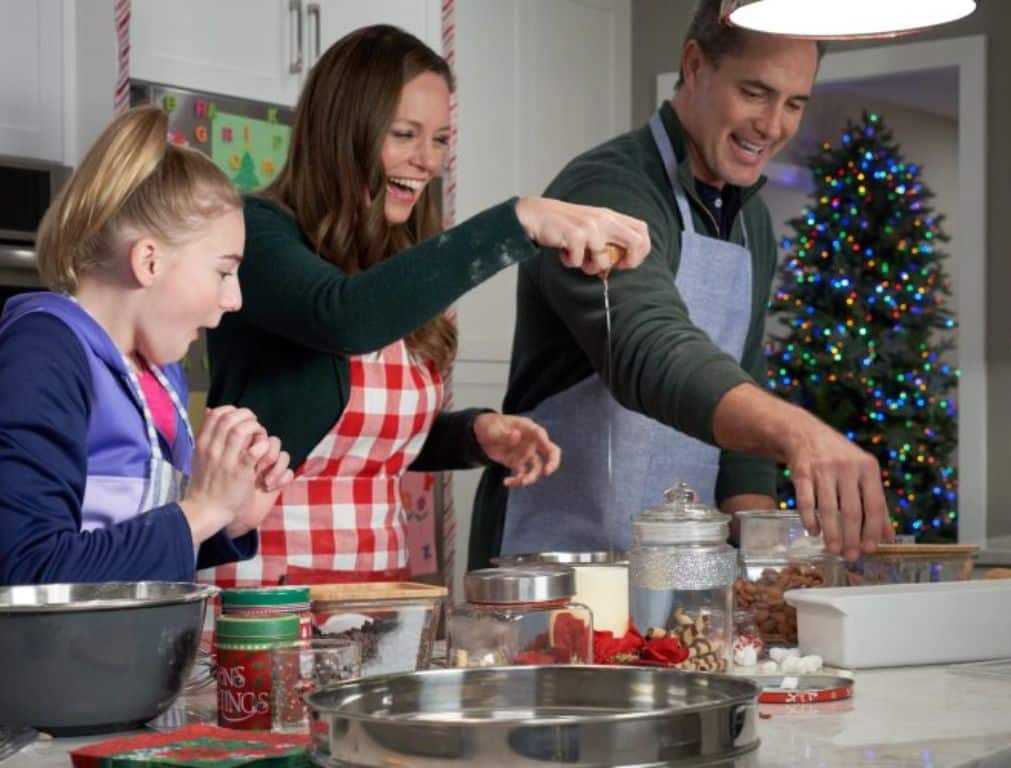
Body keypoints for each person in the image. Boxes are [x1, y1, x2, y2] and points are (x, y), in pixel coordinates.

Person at [201, 24, 650, 587]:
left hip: (380, 586)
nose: (427, 160)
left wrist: (473, 434)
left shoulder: (395, 265)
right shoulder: (258, 234)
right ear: (342, 132)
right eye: (405, 134)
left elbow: (366, 436)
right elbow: (344, 317)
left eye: (439, 139)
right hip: (265, 585)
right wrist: (519, 220)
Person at [470, 0, 892, 570]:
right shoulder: (608, 188)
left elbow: (743, 378)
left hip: (682, 564)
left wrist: (767, 565)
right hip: (557, 555)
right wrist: (798, 432)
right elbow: (647, 346)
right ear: (694, 65)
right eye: (755, 92)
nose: (773, 125)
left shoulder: (751, 221)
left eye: (794, 103)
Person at [0, 106, 293, 585]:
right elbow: (29, 570)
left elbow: (117, 555)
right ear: (149, 262)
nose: (235, 299)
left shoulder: (158, 372)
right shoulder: (43, 352)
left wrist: (227, 520)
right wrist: (202, 510)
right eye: (224, 271)